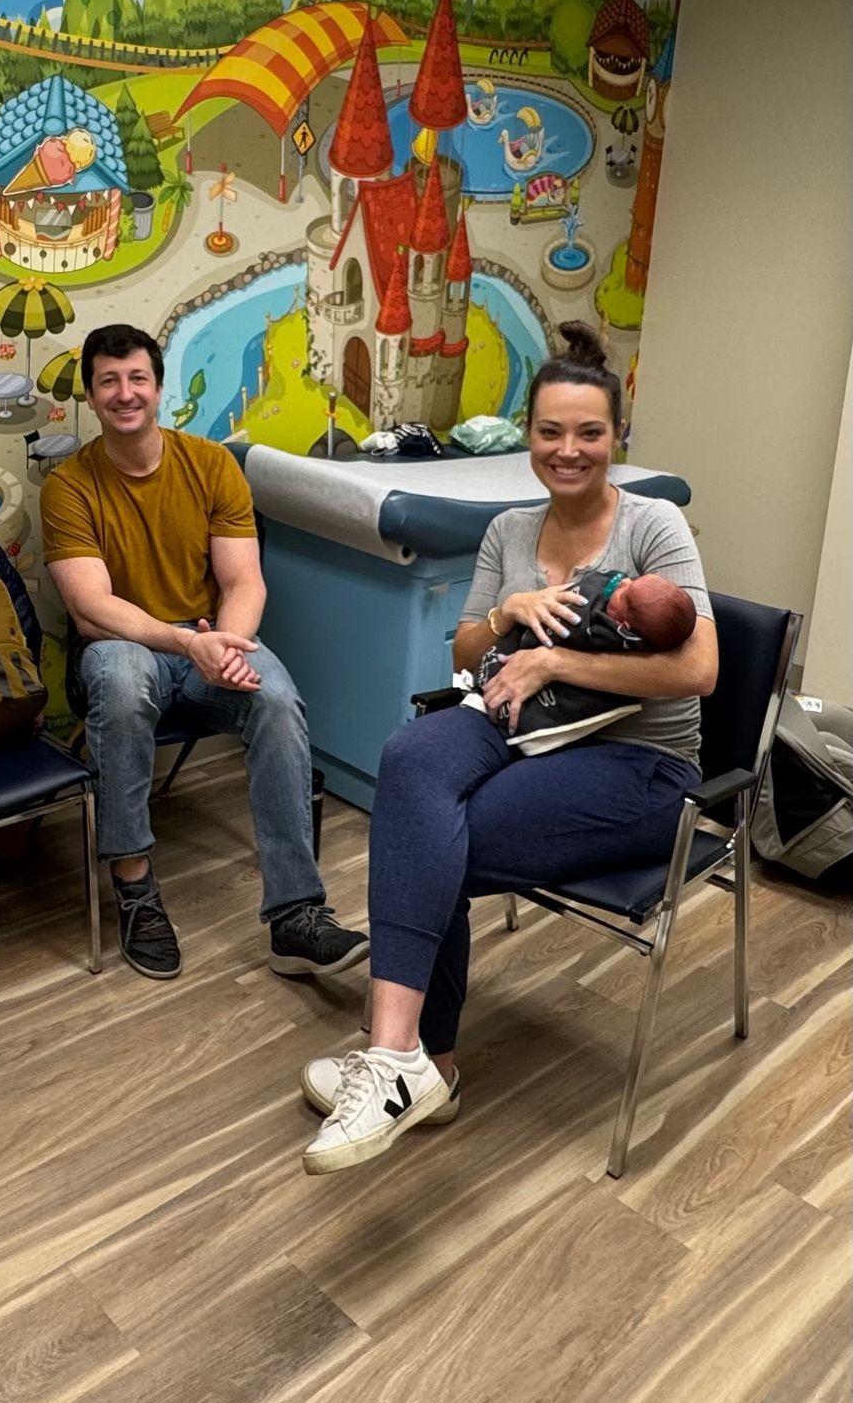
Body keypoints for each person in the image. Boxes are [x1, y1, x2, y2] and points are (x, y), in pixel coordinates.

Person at [300, 322, 717, 1175]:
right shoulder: (508, 533)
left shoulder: (653, 526)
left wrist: (557, 655)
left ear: (617, 439)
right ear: (528, 435)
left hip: (639, 764)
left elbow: (701, 667)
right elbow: (462, 650)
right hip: (526, 726)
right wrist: (508, 616)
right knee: (411, 760)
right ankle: (402, 1061)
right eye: (551, 432)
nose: (569, 451)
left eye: (589, 433)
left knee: (435, 840)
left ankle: (424, 1062)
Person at [42, 322, 368, 981]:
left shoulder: (212, 463)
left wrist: (228, 643)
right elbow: (91, 607)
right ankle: (135, 889)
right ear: (92, 395)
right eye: (109, 381)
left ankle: (295, 916)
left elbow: (243, 580)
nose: (124, 393)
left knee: (275, 699)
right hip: (120, 645)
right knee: (124, 681)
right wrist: (190, 642)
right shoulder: (69, 486)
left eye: (137, 378)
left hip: (208, 635)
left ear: (159, 388)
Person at [467, 568, 699, 752]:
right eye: (634, 580)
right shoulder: (505, 526)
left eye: (626, 595)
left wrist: (551, 663)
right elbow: (463, 659)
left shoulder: (655, 523)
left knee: (499, 803)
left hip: (625, 745)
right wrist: (507, 611)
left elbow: (698, 673)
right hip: (481, 708)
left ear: (625, 627)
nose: (624, 582)